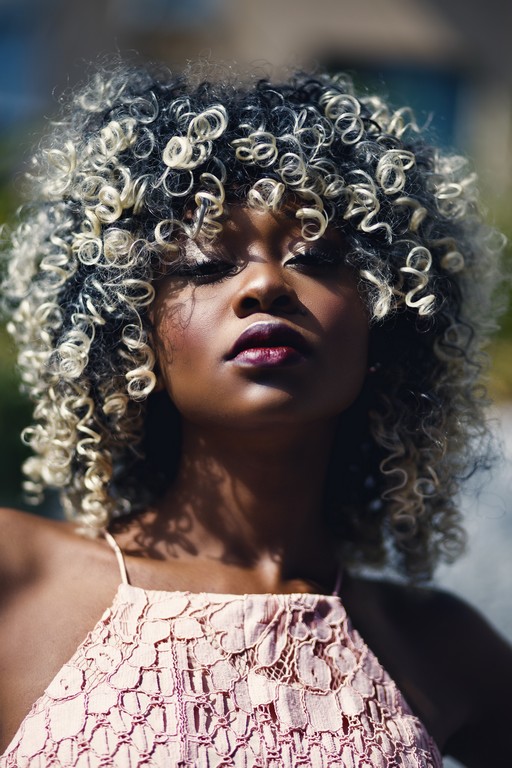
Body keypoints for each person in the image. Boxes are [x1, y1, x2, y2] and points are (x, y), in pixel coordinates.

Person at [0, 58, 511, 767]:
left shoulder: (436, 648)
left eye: (320, 257)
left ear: (390, 317)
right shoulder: (18, 578)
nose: (266, 282)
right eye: (208, 265)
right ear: (126, 329)